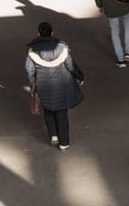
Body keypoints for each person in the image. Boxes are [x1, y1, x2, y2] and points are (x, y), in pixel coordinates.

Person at [24, 21, 84, 149]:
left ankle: (53, 135)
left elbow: (29, 70)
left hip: (43, 85)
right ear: (52, 33)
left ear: (38, 34)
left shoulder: (33, 50)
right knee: (62, 113)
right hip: (62, 85)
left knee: (48, 110)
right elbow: (70, 65)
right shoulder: (62, 48)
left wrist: (32, 84)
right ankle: (64, 143)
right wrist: (79, 76)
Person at [92, 0, 129, 66]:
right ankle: (128, 53)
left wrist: (99, 5)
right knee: (128, 26)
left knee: (115, 31)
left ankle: (120, 60)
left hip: (109, 2)